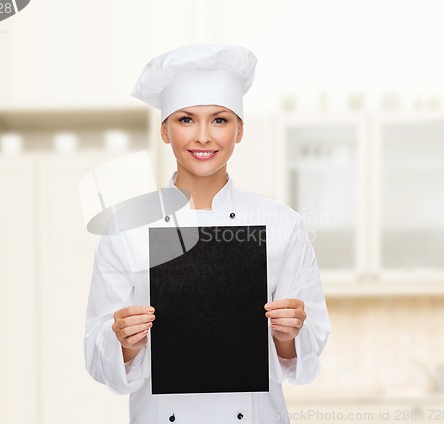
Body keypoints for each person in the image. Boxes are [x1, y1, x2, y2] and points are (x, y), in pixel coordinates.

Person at [84, 44, 330, 424]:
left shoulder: (283, 225)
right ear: (164, 131)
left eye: (219, 120)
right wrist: (123, 342)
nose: (203, 137)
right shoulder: (125, 229)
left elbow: (306, 366)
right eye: (185, 119)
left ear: (240, 130)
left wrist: (287, 335)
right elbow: (100, 364)